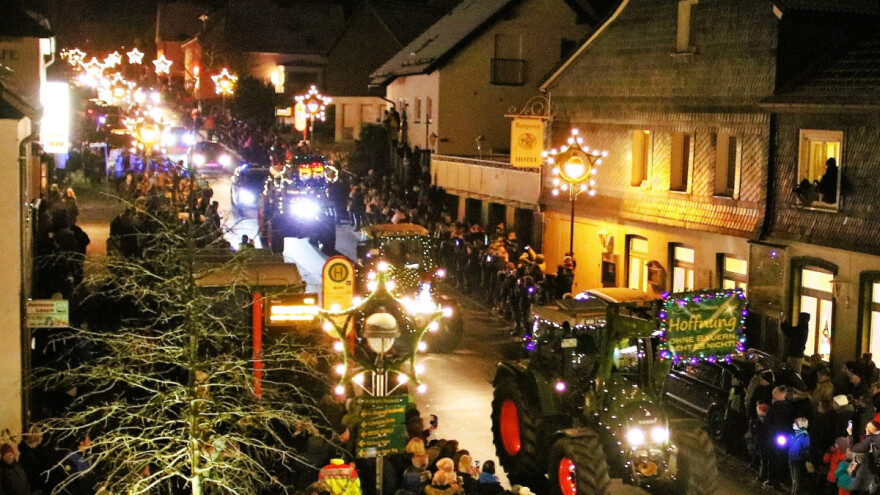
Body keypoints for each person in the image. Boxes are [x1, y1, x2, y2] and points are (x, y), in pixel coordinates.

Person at [765, 386, 793, 488]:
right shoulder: (790, 407)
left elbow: (767, 422)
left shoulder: (774, 408)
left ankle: (773, 479)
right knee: (784, 459)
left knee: (773, 459)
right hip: (785, 437)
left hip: (774, 437)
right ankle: (785, 480)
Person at [789, 417, 811, 495]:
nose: (793, 424)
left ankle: (796, 493)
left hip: (798, 459)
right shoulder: (796, 435)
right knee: (793, 479)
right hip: (792, 458)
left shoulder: (804, 437)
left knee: (797, 479)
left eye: (795, 423)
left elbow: (806, 449)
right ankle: (793, 491)